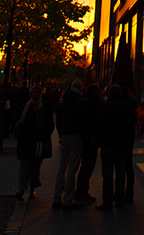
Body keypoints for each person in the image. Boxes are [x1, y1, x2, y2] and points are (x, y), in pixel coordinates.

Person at [96, 84, 136, 210]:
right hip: (122, 145)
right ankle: (120, 199)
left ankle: (107, 201)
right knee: (120, 173)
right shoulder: (126, 106)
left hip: (108, 144)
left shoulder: (107, 106)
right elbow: (131, 125)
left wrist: (100, 141)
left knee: (107, 174)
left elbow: (101, 125)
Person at [14, 85, 54, 202]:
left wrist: (45, 135)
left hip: (39, 142)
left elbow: (50, 124)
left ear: (40, 94)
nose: (35, 95)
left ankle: (32, 188)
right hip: (26, 142)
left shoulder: (45, 107)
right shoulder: (25, 107)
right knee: (25, 165)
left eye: (37, 92)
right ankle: (21, 189)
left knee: (35, 166)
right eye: (33, 93)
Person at [52, 80, 87, 210]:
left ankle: (56, 197)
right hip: (76, 137)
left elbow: (58, 120)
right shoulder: (80, 103)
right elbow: (83, 122)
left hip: (65, 136)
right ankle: (68, 199)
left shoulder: (63, 102)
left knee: (61, 169)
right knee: (72, 169)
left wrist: (61, 135)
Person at [74, 83, 102, 203]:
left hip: (89, 139)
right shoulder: (92, 105)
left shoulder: (87, 104)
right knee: (87, 166)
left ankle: (83, 191)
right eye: (98, 92)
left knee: (87, 167)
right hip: (90, 140)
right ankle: (81, 192)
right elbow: (89, 122)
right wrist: (91, 135)